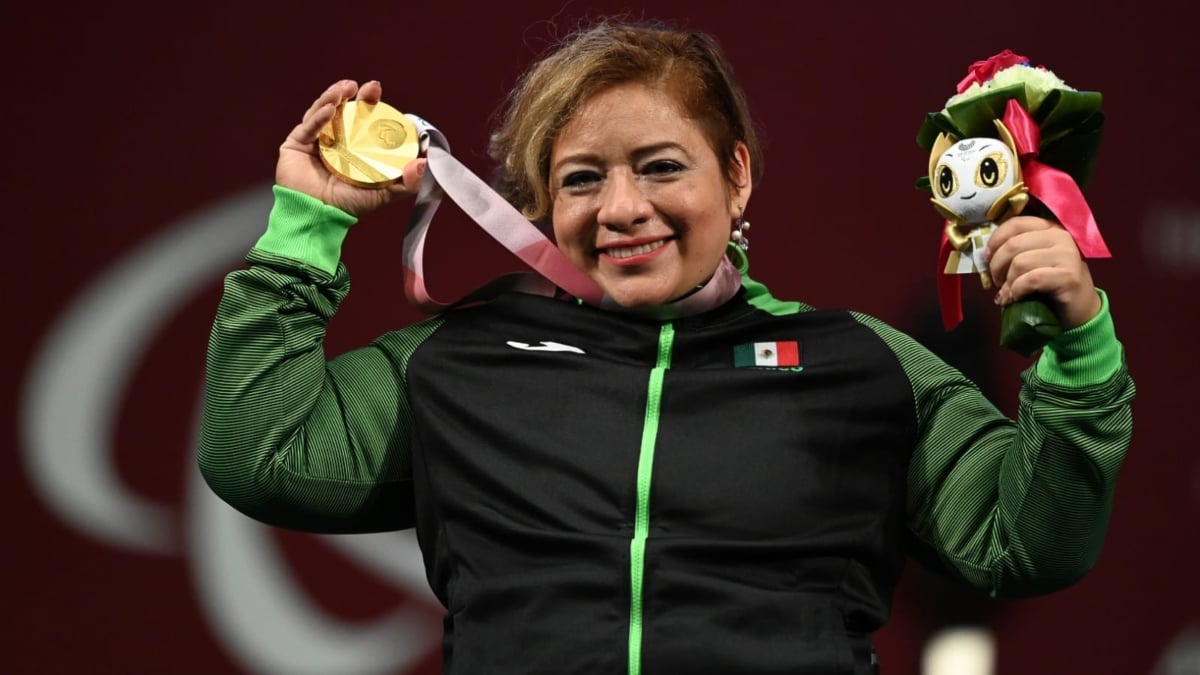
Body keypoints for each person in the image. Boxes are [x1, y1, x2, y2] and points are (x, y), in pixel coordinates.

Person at [199, 19, 1134, 675]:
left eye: (660, 166)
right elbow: (260, 453)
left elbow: (1026, 543)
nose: (622, 209)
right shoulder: (462, 362)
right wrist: (304, 231)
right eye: (581, 179)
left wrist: (1079, 349)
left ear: (737, 177)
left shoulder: (861, 365)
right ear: (541, 208)